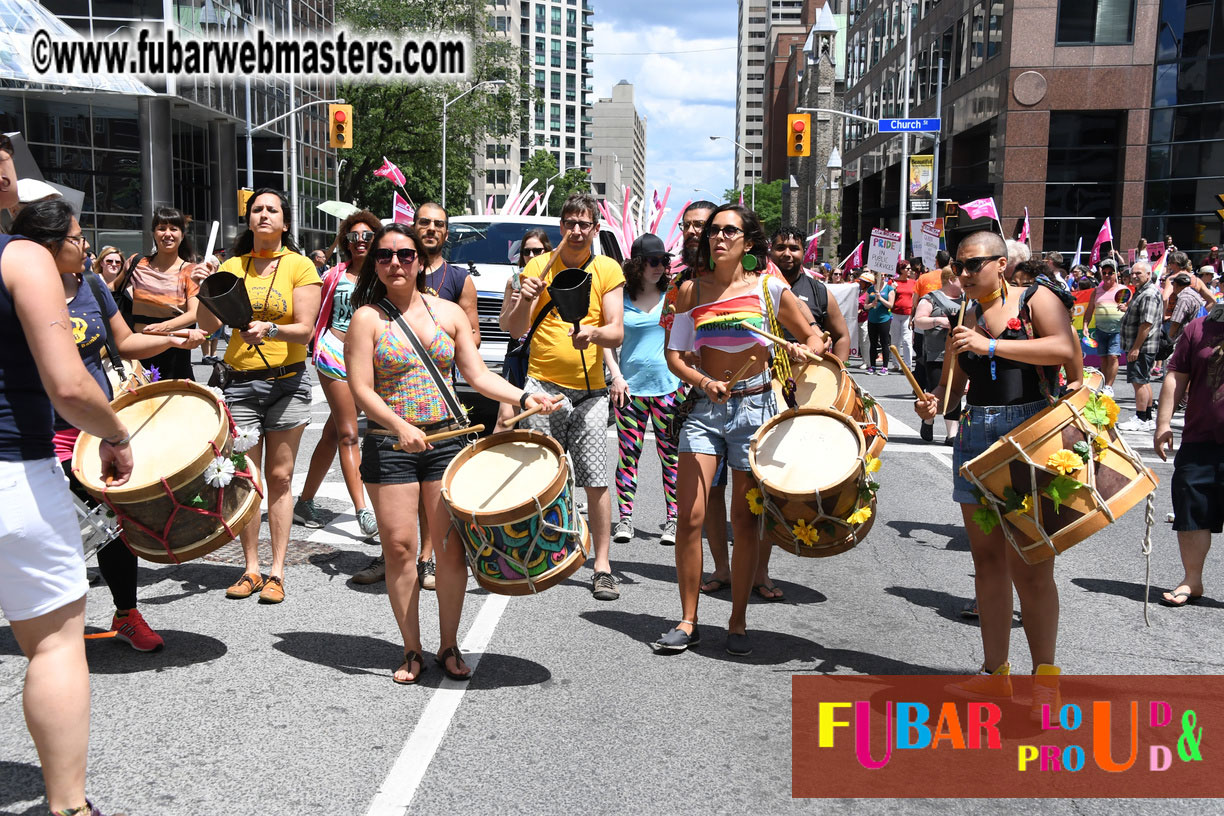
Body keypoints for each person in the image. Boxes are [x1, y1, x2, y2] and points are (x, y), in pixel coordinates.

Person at [346, 224, 558, 683]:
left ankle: (448, 643)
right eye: (385, 256)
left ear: (419, 260)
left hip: (447, 443)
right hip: (391, 446)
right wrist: (400, 426)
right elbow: (361, 388)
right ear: (375, 264)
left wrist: (525, 398)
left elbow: (478, 375)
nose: (396, 262)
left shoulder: (448, 313)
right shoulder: (367, 318)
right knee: (401, 550)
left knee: (448, 551)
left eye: (405, 254)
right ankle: (410, 648)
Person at [0, 133, 133, 816]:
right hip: (12, 473)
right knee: (54, 645)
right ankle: (69, 807)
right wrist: (114, 433)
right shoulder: (22, 254)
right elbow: (69, 386)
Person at [12, 196, 204, 652]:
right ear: (48, 245)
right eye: (77, 238)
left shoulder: (93, 286)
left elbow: (125, 341)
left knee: (114, 524)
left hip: (93, 431)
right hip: (36, 433)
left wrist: (174, 337)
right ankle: (44, 621)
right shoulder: (17, 289)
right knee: (43, 532)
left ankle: (126, 613)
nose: (85, 245)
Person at [914, 230, 1080, 717]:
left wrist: (990, 346)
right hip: (974, 434)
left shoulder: (1037, 297)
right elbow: (953, 388)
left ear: (1001, 263)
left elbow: (1064, 350)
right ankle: (995, 675)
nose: (962, 274)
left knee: (1031, 563)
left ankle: (1045, 681)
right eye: (957, 267)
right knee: (986, 562)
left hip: (1031, 433)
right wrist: (933, 405)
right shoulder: (964, 313)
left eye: (972, 265)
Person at [659, 204, 824, 655]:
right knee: (690, 519)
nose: (719, 238)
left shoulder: (771, 290)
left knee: (745, 523)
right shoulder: (692, 291)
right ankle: (688, 619)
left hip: (755, 408)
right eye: (714, 231)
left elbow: (814, 336)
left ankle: (737, 621)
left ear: (748, 242)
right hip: (705, 410)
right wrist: (703, 381)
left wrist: (806, 349)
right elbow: (675, 357)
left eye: (730, 231)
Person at [196, 188, 322, 604]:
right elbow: (208, 323)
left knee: (281, 478)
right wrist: (202, 287)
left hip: (288, 382)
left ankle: (277, 571)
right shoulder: (233, 265)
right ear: (249, 220)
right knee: (247, 481)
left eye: (272, 210)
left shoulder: (300, 267)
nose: (264, 215)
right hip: (241, 383)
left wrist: (271, 329)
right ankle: (250, 568)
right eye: (257, 210)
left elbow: (305, 329)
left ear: (285, 222)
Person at [500, 192, 626, 601]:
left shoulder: (606, 268)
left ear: (594, 229)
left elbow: (616, 331)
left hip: (590, 390)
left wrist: (593, 333)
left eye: (583, 224)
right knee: (541, 474)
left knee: (594, 478)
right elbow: (516, 330)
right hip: (541, 386)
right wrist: (525, 295)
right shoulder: (539, 265)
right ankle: (541, 552)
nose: (576, 230)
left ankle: (602, 566)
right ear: (561, 226)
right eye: (569, 222)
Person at [295, 212, 382, 566]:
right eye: (354, 236)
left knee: (332, 433)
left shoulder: (384, 274)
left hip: (370, 360)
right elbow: (320, 315)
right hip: (334, 353)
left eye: (367, 235)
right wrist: (315, 346)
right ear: (345, 240)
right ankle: (363, 512)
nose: (360, 241)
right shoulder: (333, 275)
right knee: (348, 435)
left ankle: (304, 503)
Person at [660, 201, 737, 597]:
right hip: (699, 397)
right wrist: (693, 368)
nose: (692, 232)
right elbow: (673, 341)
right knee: (706, 498)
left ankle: (755, 572)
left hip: (748, 397)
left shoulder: (748, 275)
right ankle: (722, 569)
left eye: (700, 226)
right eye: (687, 225)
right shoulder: (682, 283)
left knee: (749, 496)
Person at [413, 202, 481, 589]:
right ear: (414, 226)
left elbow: (473, 332)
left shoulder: (458, 279)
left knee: (434, 483)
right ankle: (403, 554)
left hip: (440, 395)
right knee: (402, 483)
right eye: (425, 223)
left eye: (439, 224)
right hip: (396, 395)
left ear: (446, 232)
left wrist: (444, 339)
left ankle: (431, 557)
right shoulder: (397, 268)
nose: (432, 229)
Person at [607, 233, 682, 546]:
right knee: (628, 456)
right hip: (630, 390)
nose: (660, 267)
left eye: (664, 261)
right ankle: (625, 518)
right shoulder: (619, 297)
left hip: (669, 389)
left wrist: (688, 377)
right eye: (652, 261)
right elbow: (606, 342)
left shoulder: (674, 295)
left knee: (672, 458)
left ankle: (673, 520)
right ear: (636, 264)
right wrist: (615, 377)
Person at [1154, 303, 1224, 607]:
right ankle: (1191, 580)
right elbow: (1175, 376)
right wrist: (1163, 423)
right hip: (1201, 438)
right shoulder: (1199, 328)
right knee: (1191, 507)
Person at [110, 206, 206, 380]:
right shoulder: (136, 262)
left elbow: (194, 314)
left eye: (173, 229)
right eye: (161, 228)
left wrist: (164, 328)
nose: (167, 234)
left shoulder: (190, 271)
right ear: (153, 233)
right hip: (137, 350)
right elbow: (112, 290)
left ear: (182, 235)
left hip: (174, 352)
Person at [494, 228, 553, 433]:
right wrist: (513, 305)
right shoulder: (515, 280)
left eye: (537, 251)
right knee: (505, 418)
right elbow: (504, 326)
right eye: (527, 252)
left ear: (547, 251)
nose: (531, 256)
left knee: (539, 418)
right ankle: (493, 464)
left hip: (543, 356)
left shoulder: (554, 279)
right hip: (517, 354)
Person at [771, 225, 851, 360]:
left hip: (808, 375)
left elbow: (841, 336)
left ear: (804, 252)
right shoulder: (756, 287)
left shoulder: (820, 292)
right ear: (771, 251)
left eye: (794, 248)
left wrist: (841, 373)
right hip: (764, 375)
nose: (786, 253)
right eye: (780, 248)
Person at [911, 263, 963, 444]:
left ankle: (952, 433)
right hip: (936, 353)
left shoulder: (968, 299)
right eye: (960, 278)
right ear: (951, 280)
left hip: (959, 352)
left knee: (954, 389)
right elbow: (918, 321)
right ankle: (928, 419)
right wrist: (938, 320)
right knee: (936, 390)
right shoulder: (931, 298)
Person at [1117, 261, 1163, 432]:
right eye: (1133, 273)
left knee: (1139, 382)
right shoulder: (1141, 292)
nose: (1134, 276)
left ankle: (1141, 418)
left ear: (1148, 275)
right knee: (1144, 380)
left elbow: (1146, 324)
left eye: (1139, 273)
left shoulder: (1149, 294)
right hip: (1141, 346)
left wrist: (1136, 348)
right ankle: (1148, 417)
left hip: (1142, 347)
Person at [1084, 258, 1125, 396]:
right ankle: (1105, 385)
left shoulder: (1123, 290)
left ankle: (1108, 386)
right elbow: (1090, 310)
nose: (1107, 275)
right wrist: (1085, 325)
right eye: (1105, 272)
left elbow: (1132, 309)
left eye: (1110, 273)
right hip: (1100, 329)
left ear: (1116, 274)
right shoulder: (1096, 291)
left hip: (1117, 330)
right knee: (1103, 358)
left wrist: (1126, 307)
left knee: (1113, 356)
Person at [864, 271, 894, 375]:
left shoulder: (889, 289)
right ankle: (872, 366)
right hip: (872, 319)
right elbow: (865, 306)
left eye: (884, 275)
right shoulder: (871, 289)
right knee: (873, 343)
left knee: (884, 343)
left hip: (884, 319)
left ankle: (885, 367)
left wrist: (880, 298)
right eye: (881, 275)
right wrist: (872, 304)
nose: (883, 277)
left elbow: (890, 305)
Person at [889, 260, 916, 370]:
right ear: (901, 270)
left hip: (908, 315)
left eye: (910, 268)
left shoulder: (913, 282)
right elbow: (889, 297)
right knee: (895, 340)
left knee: (907, 341)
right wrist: (893, 289)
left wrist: (913, 316)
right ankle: (895, 364)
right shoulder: (893, 282)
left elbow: (914, 299)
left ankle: (907, 366)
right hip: (895, 314)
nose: (910, 270)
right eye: (907, 268)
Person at [1167, 272, 1204, 344]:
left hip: (1183, 338)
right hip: (1194, 334)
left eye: (1173, 284)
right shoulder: (1195, 294)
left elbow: (1176, 322)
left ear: (1177, 285)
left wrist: (1168, 338)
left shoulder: (1184, 298)